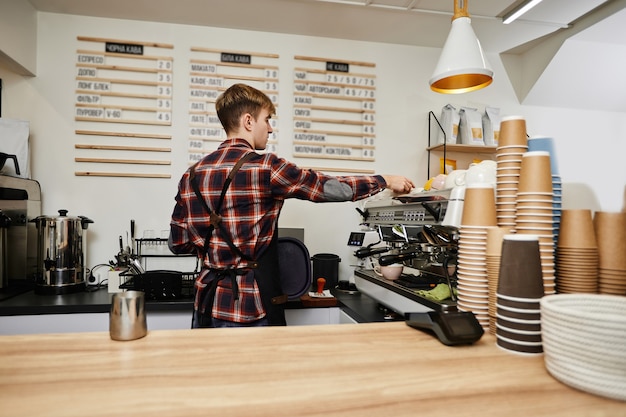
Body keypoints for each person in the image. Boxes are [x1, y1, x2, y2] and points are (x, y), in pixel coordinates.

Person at [169, 83, 415, 328]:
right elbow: (326, 187)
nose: (270, 128)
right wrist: (384, 180)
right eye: (267, 119)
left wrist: (216, 253)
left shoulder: (191, 175)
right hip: (249, 306)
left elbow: (177, 243)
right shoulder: (267, 167)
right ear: (248, 121)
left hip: (206, 305)